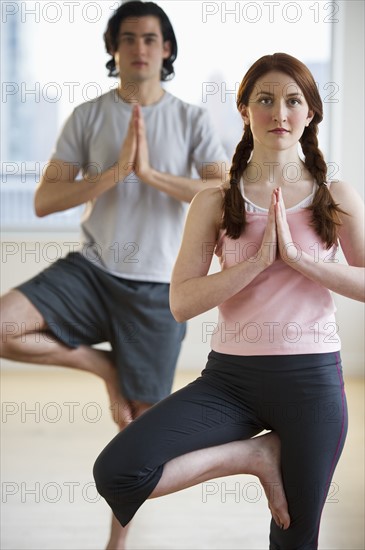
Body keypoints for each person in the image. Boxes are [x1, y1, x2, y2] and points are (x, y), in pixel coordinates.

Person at [93, 52, 365, 549]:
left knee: (294, 540)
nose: (279, 114)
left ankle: (262, 460)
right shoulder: (216, 200)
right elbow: (181, 302)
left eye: (292, 101)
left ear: (310, 114)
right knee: (118, 470)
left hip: (312, 386)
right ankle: (253, 457)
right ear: (244, 110)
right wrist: (256, 264)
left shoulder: (335, 195)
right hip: (231, 382)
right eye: (265, 100)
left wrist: (305, 263)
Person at [0, 2, 228, 549]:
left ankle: (117, 542)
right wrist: (114, 175)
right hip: (92, 270)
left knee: (138, 433)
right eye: (128, 38)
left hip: (156, 288)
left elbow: (222, 194)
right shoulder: (88, 115)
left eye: (151, 39)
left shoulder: (192, 118)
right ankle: (103, 365)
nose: (140, 48)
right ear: (113, 49)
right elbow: (44, 199)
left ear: (166, 49)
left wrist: (149, 174)